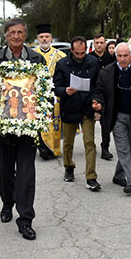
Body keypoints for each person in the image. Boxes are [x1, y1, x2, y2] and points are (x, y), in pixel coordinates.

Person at [0, 18, 46, 241]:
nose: (16, 36)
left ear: (25, 35)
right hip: (1, 128)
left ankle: (25, 219)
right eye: (12, 32)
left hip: (27, 128)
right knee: (4, 173)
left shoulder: (36, 59)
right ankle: (7, 202)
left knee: (26, 174)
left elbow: (44, 88)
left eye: (20, 32)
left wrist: (42, 109)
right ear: (5, 35)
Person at [92, 42, 131, 195]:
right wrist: (98, 103)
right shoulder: (107, 72)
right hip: (116, 116)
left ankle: (118, 176)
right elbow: (99, 91)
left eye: (125, 55)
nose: (122, 59)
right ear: (115, 56)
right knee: (124, 149)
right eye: (119, 56)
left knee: (127, 146)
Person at [53, 36, 101, 191]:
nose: (80, 56)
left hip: (87, 107)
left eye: (82, 53)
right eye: (77, 53)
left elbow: (98, 85)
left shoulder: (93, 62)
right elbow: (55, 87)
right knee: (68, 142)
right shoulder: (62, 64)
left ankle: (91, 177)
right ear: (71, 50)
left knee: (89, 142)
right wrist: (64, 91)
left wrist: (97, 101)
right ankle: (68, 166)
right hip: (69, 107)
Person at [33, 23, 66, 160]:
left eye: (47, 36)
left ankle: (54, 148)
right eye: (42, 37)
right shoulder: (32, 54)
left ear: (51, 38)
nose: (44, 39)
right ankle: (43, 148)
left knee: (54, 121)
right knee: (40, 120)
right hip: (37, 93)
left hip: (55, 93)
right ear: (38, 38)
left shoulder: (60, 55)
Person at [88, 33, 116, 160]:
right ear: (94, 44)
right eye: (97, 43)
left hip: (107, 94)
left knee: (106, 122)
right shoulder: (89, 58)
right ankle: (89, 146)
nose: (99, 45)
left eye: (101, 43)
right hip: (91, 92)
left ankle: (105, 147)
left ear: (105, 44)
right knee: (89, 122)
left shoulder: (111, 59)